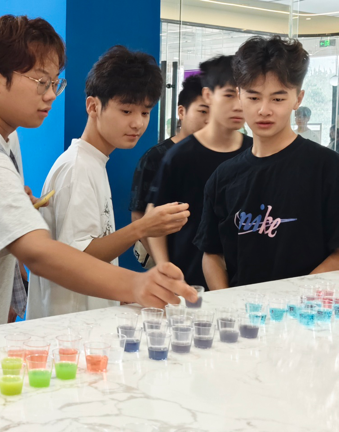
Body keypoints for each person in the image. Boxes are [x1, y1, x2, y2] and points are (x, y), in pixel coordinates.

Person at [0, 15, 197, 343]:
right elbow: (38, 252)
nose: (51, 95)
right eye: (41, 82)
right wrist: (136, 284)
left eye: (55, 83)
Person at [26, 46, 190, 319]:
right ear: (93, 106)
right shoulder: (78, 167)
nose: (137, 123)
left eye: (145, 112)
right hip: (69, 323)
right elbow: (78, 258)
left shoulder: (91, 162)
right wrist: (142, 227)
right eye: (126, 111)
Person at [193, 36, 339, 289]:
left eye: (278, 99)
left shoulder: (328, 168)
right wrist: (227, 302)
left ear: (298, 99)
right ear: (239, 96)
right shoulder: (223, 177)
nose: (264, 110)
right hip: (241, 310)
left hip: (307, 309)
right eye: (253, 98)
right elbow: (212, 253)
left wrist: (289, 299)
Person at [148, 55, 252, 289]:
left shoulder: (254, 152)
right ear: (208, 95)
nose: (238, 106)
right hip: (189, 280)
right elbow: (155, 219)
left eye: (246, 96)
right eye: (229, 95)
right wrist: (165, 270)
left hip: (243, 282)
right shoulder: (179, 156)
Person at [129, 74, 209, 268]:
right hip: (174, 262)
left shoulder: (221, 156)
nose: (210, 120)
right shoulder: (157, 157)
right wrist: (163, 265)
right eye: (203, 111)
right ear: (182, 111)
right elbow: (139, 216)